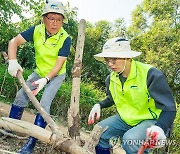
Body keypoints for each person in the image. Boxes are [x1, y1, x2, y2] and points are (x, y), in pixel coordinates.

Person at [88, 37, 176, 154]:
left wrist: (160, 127)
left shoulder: (150, 74)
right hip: (126, 119)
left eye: (114, 59)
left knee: (130, 140)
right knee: (100, 132)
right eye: (107, 60)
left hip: (152, 121)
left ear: (127, 57)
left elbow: (169, 107)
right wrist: (99, 105)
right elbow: (112, 98)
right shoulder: (111, 78)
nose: (110, 64)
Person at [7, 0, 71, 153]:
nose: (55, 23)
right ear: (44, 18)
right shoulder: (36, 30)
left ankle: (31, 142)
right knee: (21, 96)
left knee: (43, 105)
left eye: (59, 20)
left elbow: (58, 65)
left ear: (62, 21)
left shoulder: (65, 38)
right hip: (39, 72)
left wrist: (46, 80)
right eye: (51, 18)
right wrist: (13, 61)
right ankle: (9, 129)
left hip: (55, 76)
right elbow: (14, 41)